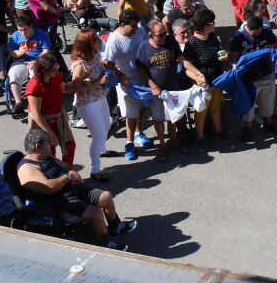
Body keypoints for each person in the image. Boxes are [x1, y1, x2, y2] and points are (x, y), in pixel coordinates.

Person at [16, 129, 136, 249]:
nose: (51, 145)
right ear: (38, 146)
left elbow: (65, 167)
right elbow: (49, 187)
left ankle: (115, 227)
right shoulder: (28, 168)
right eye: (48, 142)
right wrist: (68, 176)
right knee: (96, 213)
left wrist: (71, 172)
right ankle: (105, 243)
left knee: (106, 196)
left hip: (74, 189)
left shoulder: (45, 156)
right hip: (61, 202)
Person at [135, 19, 195, 159]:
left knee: (173, 116)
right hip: (156, 91)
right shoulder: (144, 47)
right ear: (151, 35)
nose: (164, 36)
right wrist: (153, 86)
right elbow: (141, 69)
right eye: (160, 35)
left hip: (172, 88)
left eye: (165, 33)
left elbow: (181, 59)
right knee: (158, 119)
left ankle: (174, 140)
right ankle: (162, 145)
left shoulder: (170, 41)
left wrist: (197, 73)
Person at [228, 16, 277, 141]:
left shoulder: (266, 32)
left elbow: (274, 47)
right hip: (247, 79)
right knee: (248, 106)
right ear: (248, 28)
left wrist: (274, 69)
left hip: (266, 74)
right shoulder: (239, 37)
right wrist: (234, 65)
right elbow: (233, 55)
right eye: (254, 32)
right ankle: (248, 129)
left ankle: (269, 124)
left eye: (259, 31)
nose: (257, 34)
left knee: (268, 103)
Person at [70, 29, 113, 181]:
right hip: (88, 104)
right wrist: (97, 83)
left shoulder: (95, 54)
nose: (99, 40)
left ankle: (102, 150)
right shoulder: (79, 66)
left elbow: (99, 64)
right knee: (98, 135)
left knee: (107, 124)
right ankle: (95, 170)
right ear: (88, 44)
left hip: (100, 98)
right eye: (95, 39)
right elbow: (76, 87)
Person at [102, 12, 145, 160]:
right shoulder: (114, 40)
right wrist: (121, 76)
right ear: (122, 25)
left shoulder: (139, 30)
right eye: (132, 26)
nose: (136, 28)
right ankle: (129, 143)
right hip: (127, 82)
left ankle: (139, 133)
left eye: (136, 24)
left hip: (142, 78)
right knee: (131, 114)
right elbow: (109, 64)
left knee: (142, 107)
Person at [182, 7, 224, 143]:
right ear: (205, 25)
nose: (214, 24)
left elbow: (219, 52)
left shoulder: (212, 36)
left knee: (216, 108)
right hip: (203, 84)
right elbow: (187, 67)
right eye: (212, 22)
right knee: (201, 111)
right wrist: (198, 77)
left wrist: (224, 56)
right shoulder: (192, 43)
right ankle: (200, 137)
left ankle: (219, 132)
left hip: (218, 79)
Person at [26, 52, 75, 165]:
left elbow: (64, 88)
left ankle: (68, 173)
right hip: (42, 122)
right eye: (53, 69)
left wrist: (82, 84)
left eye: (56, 68)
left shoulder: (56, 75)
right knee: (48, 152)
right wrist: (51, 134)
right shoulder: (34, 86)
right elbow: (36, 114)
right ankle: (53, 176)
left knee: (69, 146)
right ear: (43, 70)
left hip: (58, 117)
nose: (56, 71)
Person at [6, 15, 52, 113]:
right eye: (20, 30)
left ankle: (37, 102)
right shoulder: (16, 35)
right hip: (21, 61)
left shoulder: (41, 34)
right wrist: (16, 53)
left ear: (31, 26)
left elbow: (46, 51)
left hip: (38, 60)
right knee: (13, 74)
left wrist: (37, 61)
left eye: (25, 29)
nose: (22, 33)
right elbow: (11, 51)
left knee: (36, 77)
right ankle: (19, 103)